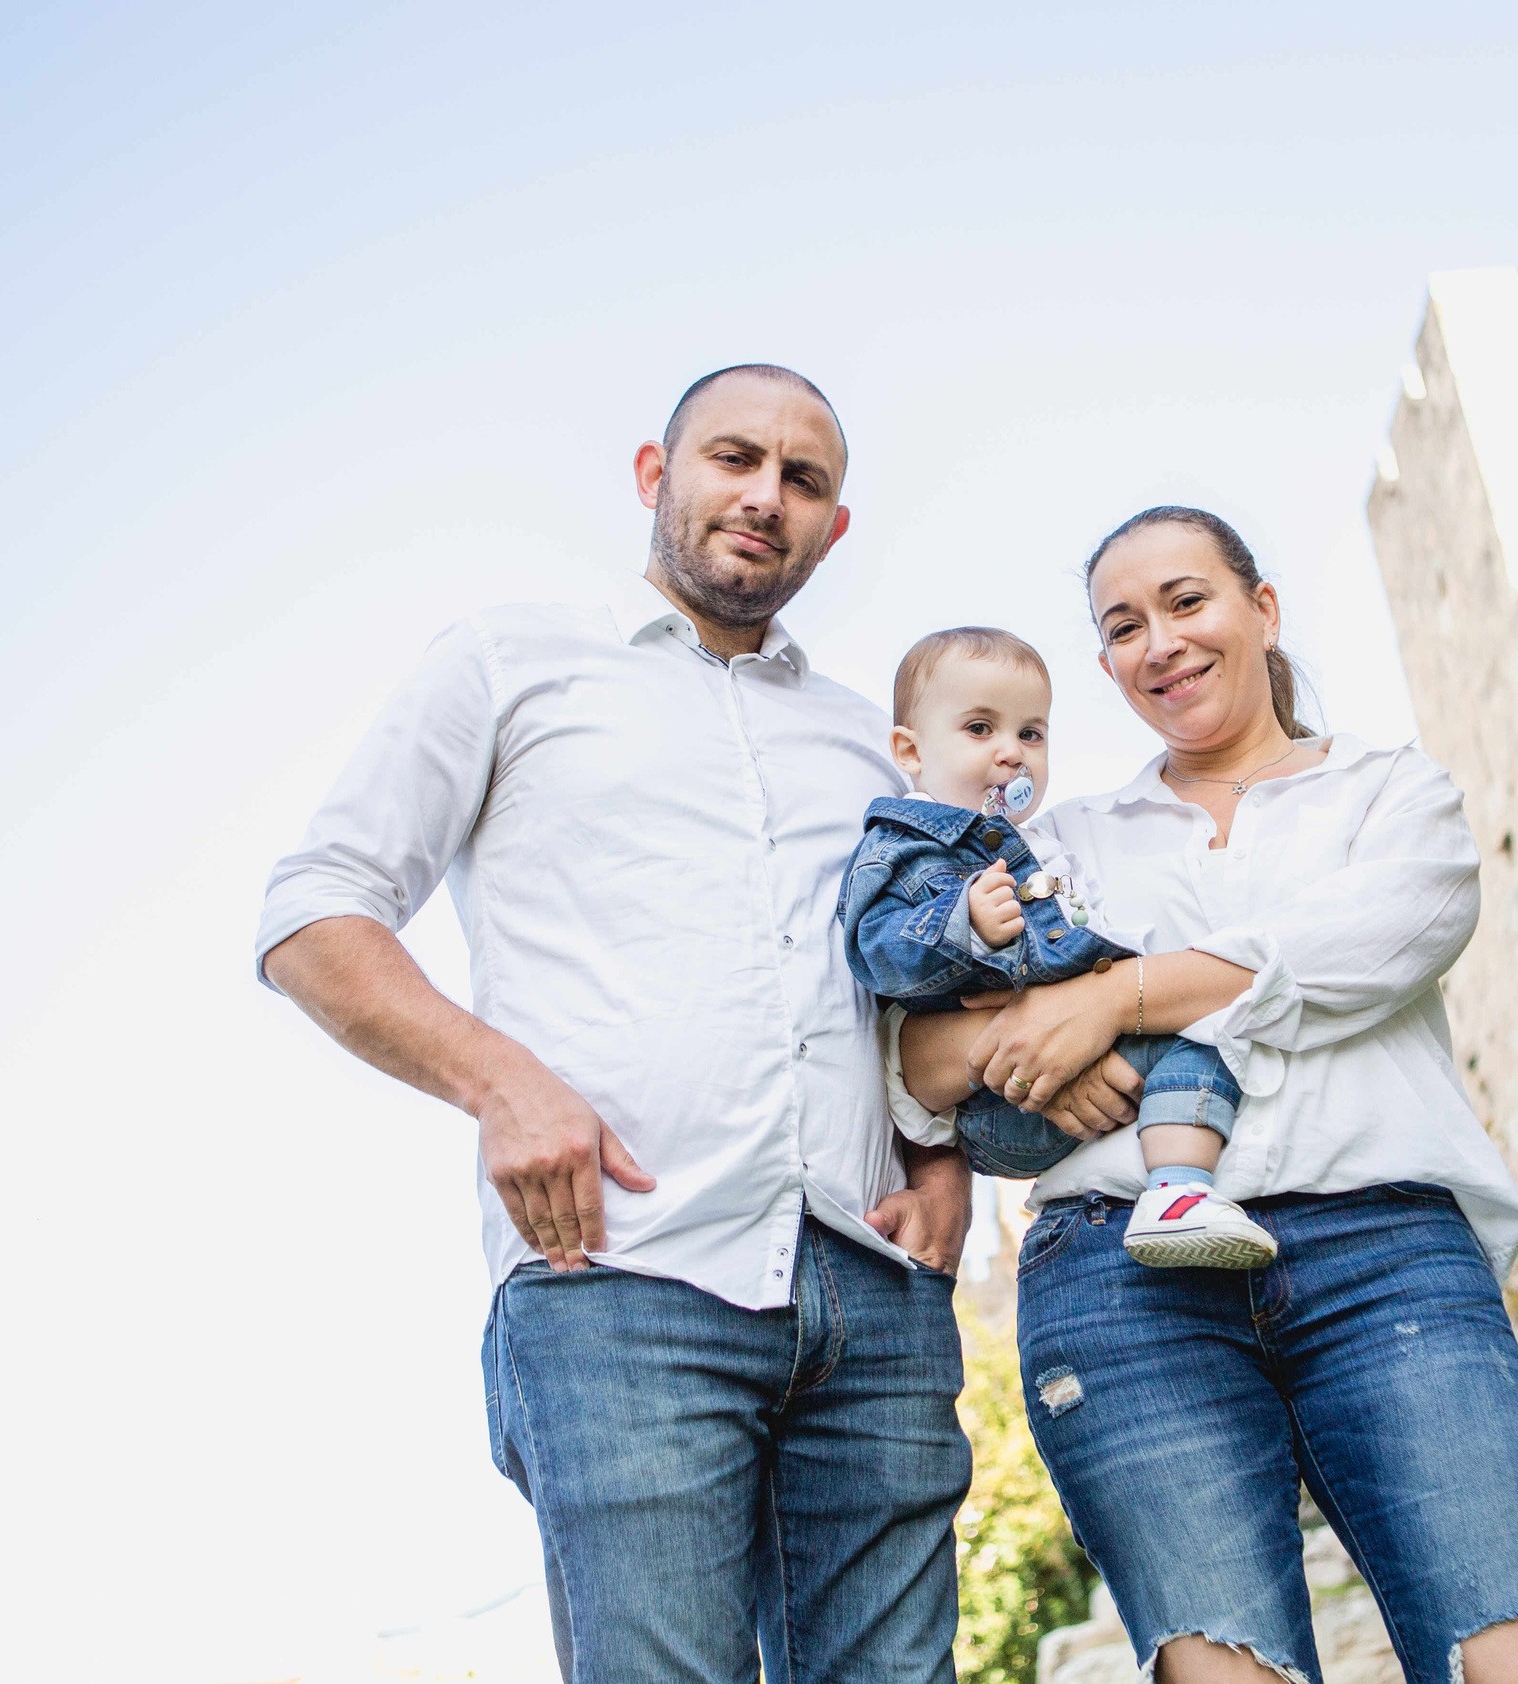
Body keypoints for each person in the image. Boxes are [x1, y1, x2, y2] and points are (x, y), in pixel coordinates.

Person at [255, 364, 975, 1684]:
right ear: (657, 475)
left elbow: (918, 983)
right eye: (734, 459)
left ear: (835, 527)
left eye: (802, 481)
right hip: (622, 1285)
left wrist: (944, 1167)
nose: (764, 496)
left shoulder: (872, 749)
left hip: (874, 1304)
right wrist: (500, 1083)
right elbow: (313, 913)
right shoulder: (507, 663)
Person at [893, 507, 1518, 1684]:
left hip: (1382, 1248)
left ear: (1261, 609)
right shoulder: (1057, 842)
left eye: (1186, 601)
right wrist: (1037, 1028)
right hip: (1118, 1277)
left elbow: (1370, 942)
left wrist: (1111, 998)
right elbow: (914, 1063)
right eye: (1122, 627)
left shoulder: (1393, 797)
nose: (1158, 642)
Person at [839, 625, 1275, 1267]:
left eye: (1031, 733)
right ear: (910, 750)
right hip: (997, 1106)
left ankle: (1178, 1194)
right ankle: (1178, 1190)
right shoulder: (904, 844)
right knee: (1198, 1038)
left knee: (1198, 1034)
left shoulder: (1044, 845)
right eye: (980, 729)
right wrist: (961, 921)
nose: (1013, 753)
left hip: (1061, 1075)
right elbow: (872, 952)